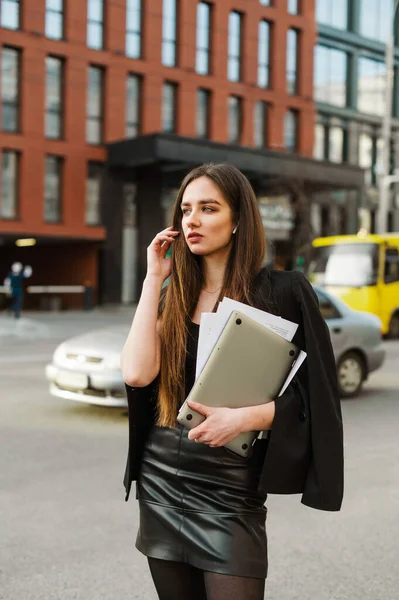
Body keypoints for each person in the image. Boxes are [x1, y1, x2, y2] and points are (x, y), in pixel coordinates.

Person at [121, 163, 343, 600]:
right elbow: (136, 373)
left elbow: (316, 397)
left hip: (231, 488)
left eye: (208, 208)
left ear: (238, 218)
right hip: (162, 478)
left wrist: (243, 418)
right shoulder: (172, 291)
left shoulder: (283, 291)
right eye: (186, 210)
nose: (192, 220)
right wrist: (153, 279)